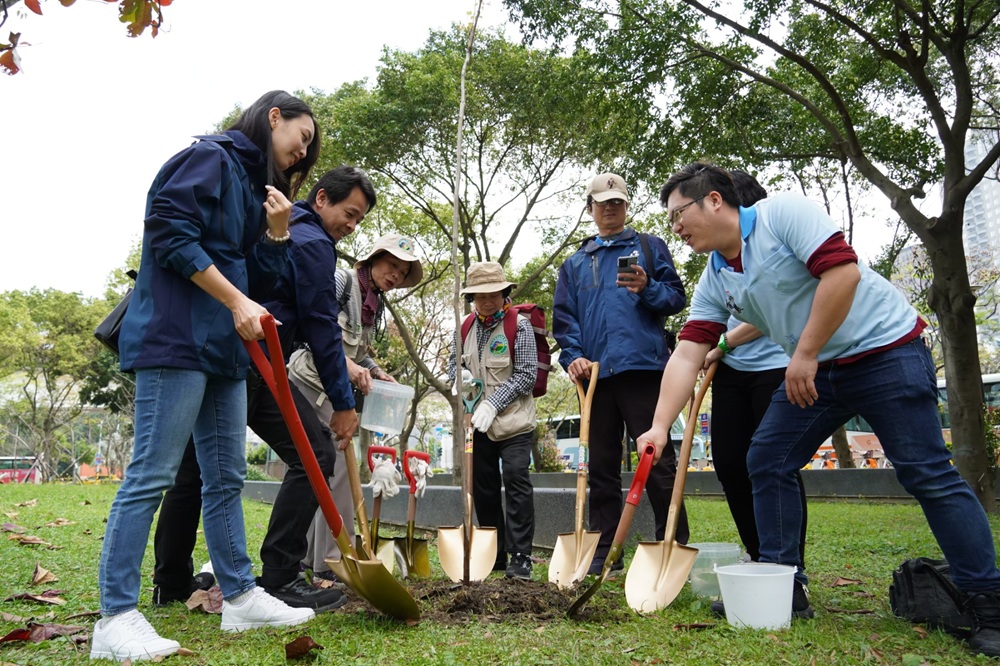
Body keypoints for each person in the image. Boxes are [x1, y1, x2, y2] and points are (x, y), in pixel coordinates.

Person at [642, 161, 1000, 657]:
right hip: (823, 371)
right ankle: (785, 587)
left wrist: (804, 353)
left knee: (927, 474)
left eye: (679, 214)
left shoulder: (781, 214)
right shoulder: (717, 276)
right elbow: (687, 352)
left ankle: (988, 601)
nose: (675, 228)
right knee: (765, 459)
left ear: (715, 201)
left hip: (885, 352)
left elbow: (842, 271)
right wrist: (660, 426)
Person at [93, 90, 321, 662]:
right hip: (177, 338)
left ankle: (241, 597)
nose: (303, 150)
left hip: (225, 352)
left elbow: (259, 284)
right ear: (275, 116)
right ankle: (115, 616)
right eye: (303, 136)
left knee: (226, 479)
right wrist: (234, 301)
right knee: (152, 473)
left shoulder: (255, 188)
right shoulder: (211, 158)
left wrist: (275, 233)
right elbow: (168, 233)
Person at [151, 166, 376, 616]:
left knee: (194, 469)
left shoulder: (278, 232)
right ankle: (280, 576)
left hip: (220, 354)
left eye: (358, 221)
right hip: (255, 362)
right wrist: (344, 404)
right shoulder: (313, 246)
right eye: (348, 214)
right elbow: (320, 328)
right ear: (320, 200)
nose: (350, 226)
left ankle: (171, 582)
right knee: (315, 453)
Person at [552, 173, 688, 574]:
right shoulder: (575, 263)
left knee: (658, 461)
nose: (610, 208)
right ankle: (603, 553)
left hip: (645, 370)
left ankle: (673, 545)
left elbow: (675, 298)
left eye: (618, 202)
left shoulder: (649, 246)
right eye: (602, 203)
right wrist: (572, 357)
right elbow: (565, 321)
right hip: (596, 378)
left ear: (626, 205)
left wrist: (647, 287)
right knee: (600, 469)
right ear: (590, 208)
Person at [699, 170, 810, 615]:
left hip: (777, 366)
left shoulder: (775, 242)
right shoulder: (716, 265)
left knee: (773, 463)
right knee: (729, 462)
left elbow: (770, 311)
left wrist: (725, 341)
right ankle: (760, 556)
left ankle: (789, 572)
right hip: (732, 372)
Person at [291, 233, 423, 580]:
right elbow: (308, 326)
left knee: (319, 473)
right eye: (391, 265)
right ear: (374, 259)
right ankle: (337, 562)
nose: (395, 275)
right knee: (337, 473)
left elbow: (356, 351)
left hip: (334, 392)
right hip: (308, 386)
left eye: (402, 271)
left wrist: (376, 371)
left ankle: (310, 559)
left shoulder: (371, 302)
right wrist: (345, 365)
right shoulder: (342, 281)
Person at [448, 261, 537, 579]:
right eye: (479, 296)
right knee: (483, 487)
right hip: (477, 424)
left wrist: (493, 404)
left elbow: (527, 374)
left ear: (504, 293)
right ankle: (494, 553)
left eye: (493, 294)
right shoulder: (464, 327)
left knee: (515, 479)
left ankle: (521, 556)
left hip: (514, 422)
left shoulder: (519, 326)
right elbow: (453, 363)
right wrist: (458, 382)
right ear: (471, 298)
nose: (487, 301)